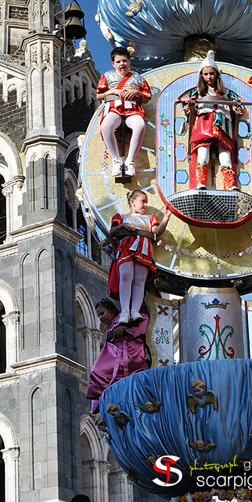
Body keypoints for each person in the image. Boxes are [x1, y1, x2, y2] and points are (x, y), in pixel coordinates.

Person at [180, 50, 244, 191]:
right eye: (206, 74)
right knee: (203, 152)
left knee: (225, 153)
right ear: (201, 76)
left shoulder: (227, 92)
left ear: (217, 74)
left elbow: (237, 104)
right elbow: (187, 107)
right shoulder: (196, 92)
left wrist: (237, 109)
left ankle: (230, 185)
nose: (209, 77)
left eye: (212, 73)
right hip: (204, 122)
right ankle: (200, 183)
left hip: (223, 122)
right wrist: (187, 106)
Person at [108, 189, 171, 324]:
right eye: (143, 201)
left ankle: (135, 311)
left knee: (139, 280)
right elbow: (112, 231)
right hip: (127, 246)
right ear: (132, 202)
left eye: (146, 202)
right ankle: (125, 311)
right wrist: (122, 226)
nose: (145, 205)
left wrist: (166, 218)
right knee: (126, 276)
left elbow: (157, 231)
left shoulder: (150, 218)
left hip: (143, 247)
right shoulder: (121, 217)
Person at [86, 298, 150, 412]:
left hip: (131, 353)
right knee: (95, 372)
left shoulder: (123, 317)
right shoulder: (110, 326)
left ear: (111, 310)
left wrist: (125, 329)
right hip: (117, 355)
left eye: (102, 313)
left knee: (97, 372)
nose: (100, 318)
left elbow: (143, 321)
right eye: (98, 315)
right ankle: (99, 402)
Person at [96, 47, 152, 177]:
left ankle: (130, 161)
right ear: (113, 63)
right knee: (106, 126)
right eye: (119, 61)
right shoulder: (107, 76)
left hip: (133, 110)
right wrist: (114, 91)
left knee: (140, 125)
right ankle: (116, 160)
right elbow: (99, 95)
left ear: (129, 62)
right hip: (115, 108)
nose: (122, 64)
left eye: (125, 61)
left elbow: (146, 98)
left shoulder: (138, 78)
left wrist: (136, 92)